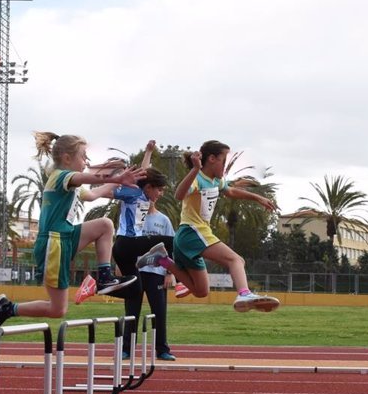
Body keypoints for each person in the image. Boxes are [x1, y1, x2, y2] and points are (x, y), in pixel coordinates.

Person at [0, 132, 143, 332]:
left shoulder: (72, 185)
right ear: (67, 158)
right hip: (53, 243)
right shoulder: (60, 176)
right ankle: (8, 308)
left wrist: (120, 180)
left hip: (65, 237)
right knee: (58, 309)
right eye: (83, 156)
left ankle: (104, 277)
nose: (86, 161)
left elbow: (94, 194)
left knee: (105, 225)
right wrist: (117, 177)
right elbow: (83, 178)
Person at [171, 140, 280, 313]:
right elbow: (178, 195)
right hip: (192, 231)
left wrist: (258, 198)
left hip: (190, 237)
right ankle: (244, 293)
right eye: (224, 161)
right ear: (212, 159)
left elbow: (231, 191)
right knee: (236, 260)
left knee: (201, 291)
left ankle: (162, 260)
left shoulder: (216, 181)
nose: (227, 166)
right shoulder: (197, 179)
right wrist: (194, 169)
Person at [86, 159, 179, 360]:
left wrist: (148, 152)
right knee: (173, 242)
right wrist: (105, 182)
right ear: (148, 188)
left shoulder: (145, 195)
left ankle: (94, 286)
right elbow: (111, 192)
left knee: (132, 291)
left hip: (131, 251)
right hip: (127, 244)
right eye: (159, 190)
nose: (160, 194)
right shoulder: (133, 193)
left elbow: (142, 173)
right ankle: (182, 280)